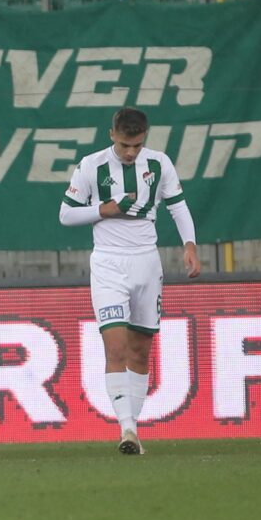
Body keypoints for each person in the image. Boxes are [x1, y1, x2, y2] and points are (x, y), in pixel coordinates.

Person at [57, 108, 200, 454]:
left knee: (140, 350)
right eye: (125, 145)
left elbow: (177, 206)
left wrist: (190, 245)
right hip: (107, 263)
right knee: (116, 347)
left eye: (137, 145)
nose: (131, 152)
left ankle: (133, 428)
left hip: (147, 263)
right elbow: (65, 214)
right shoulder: (91, 166)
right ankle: (127, 428)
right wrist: (102, 210)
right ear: (112, 136)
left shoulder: (159, 164)